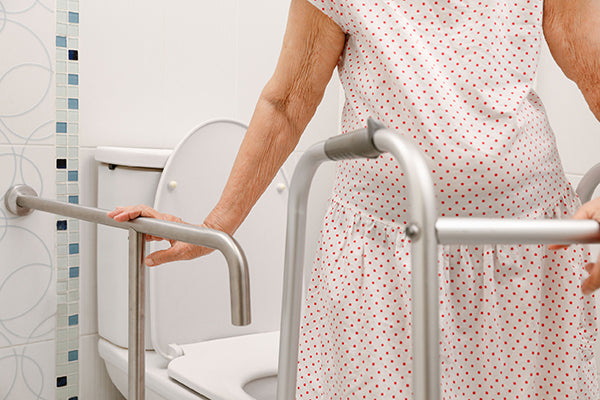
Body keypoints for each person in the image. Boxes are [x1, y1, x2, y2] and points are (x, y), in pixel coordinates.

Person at [109, 0, 600, 398]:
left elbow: (591, 64)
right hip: (382, 259)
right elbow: (286, 102)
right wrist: (213, 227)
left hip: (526, 246)